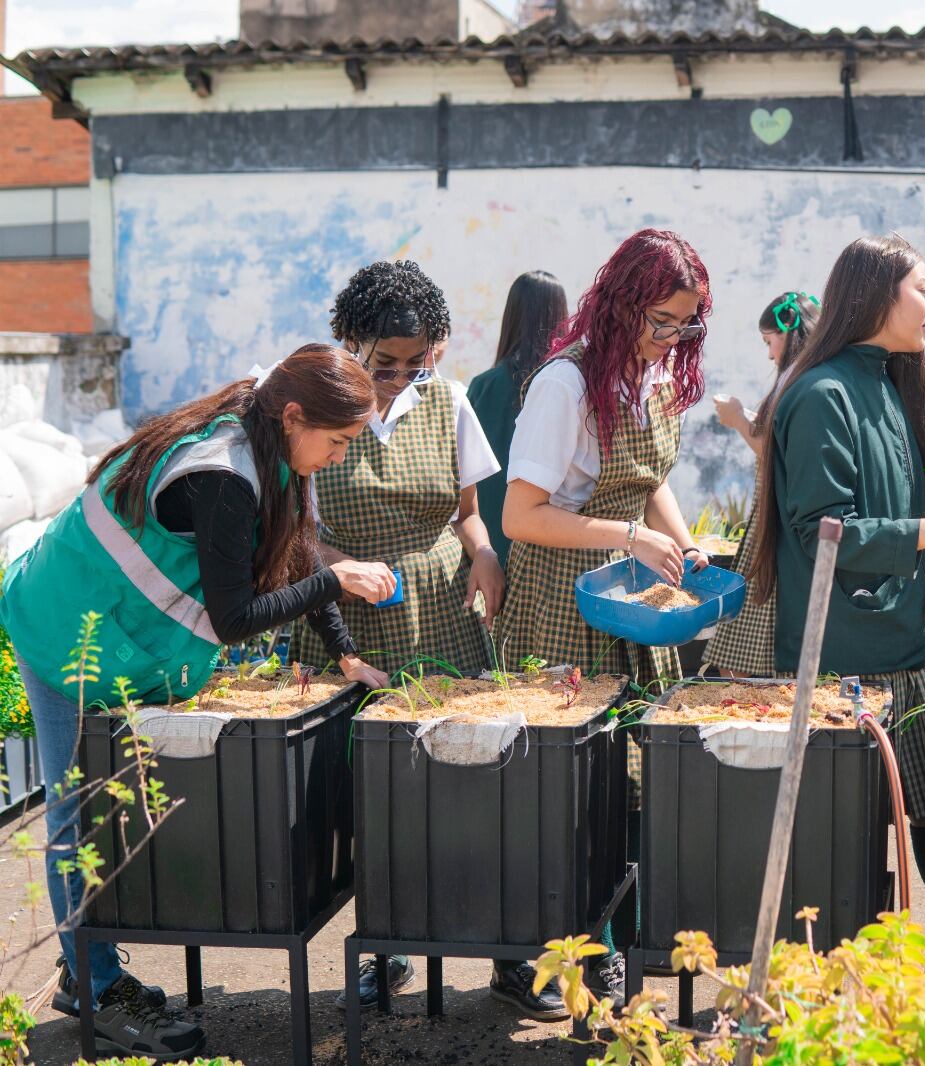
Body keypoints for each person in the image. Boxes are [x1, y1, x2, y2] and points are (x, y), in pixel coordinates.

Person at [0, 344, 392, 1059]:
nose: (338, 457)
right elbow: (233, 619)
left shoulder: (269, 432)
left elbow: (295, 544)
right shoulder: (225, 472)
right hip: (63, 625)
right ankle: (93, 984)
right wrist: (338, 584)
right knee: (72, 812)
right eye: (337, 442)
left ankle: (87, 965)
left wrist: (343, 653)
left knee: (106, 802)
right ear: (296, 414)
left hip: (113, 629)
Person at [495, 228, 713, 1008]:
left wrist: (688, 553)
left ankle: (604, 944)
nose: (670, 339)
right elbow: (522, 516)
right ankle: (527, 959)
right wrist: (626, 535)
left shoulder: (648, 377)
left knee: (623, 785)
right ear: (620, 305)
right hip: (564, 600)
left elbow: (648, 480)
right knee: (559, 789)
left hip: (630, 595)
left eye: (685, 324)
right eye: (661, 321)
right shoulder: (563, 383)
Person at [750, 234, 925, 889]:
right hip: (845, 665)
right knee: (847, 864)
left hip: (912, 650)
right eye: (922, 289)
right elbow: (823, 529)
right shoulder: (820, 394)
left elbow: (904, 477)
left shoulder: (887, 380)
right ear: (874, 295)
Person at [289, 260, 504, 1011]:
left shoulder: (447, 403)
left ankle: (494, 945)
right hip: (346, 614)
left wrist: (483, 554)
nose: (401, 378)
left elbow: (467, 513)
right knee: (366, 788)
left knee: (456, 779)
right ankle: (381, 948)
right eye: (385, 363)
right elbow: (297, 536)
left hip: (438, 609)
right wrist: (342, 566)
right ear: (348, 340)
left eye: (419, 362)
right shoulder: (312, 405)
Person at [703, 290, 820, 677]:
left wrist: (738, 420)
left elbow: (776, 454)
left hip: (777, 516)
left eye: (770, 341)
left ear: (789, 333)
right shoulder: (812, 375)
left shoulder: (801, 378)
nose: (770, 353)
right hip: (782, 514)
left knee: (753, 632)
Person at [467, 270, 569, 561]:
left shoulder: (483, 385)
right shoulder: (563, 385)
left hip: (488, 539)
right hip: (547, 539)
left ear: (511, 316)